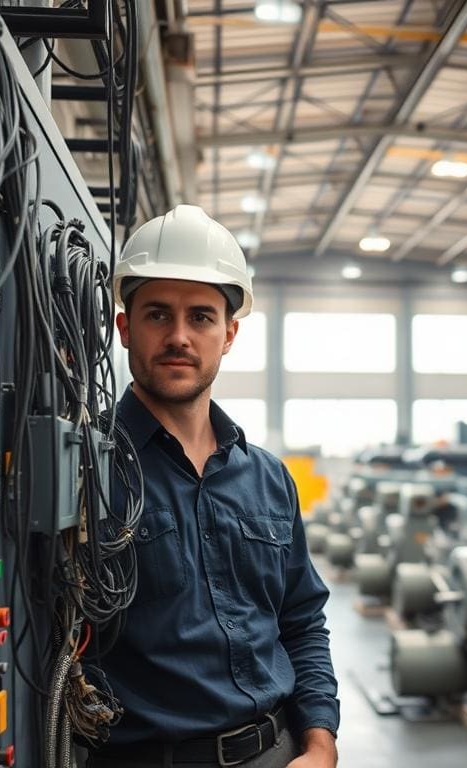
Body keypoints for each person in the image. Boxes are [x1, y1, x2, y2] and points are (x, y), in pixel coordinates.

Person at [89, 206, 339, 768]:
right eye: (158, 314)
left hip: (278, 750)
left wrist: (320, 742)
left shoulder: (269, 477)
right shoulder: (87, 469)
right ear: (126, 327)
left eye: (201, 317)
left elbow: (302, 621)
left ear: (228, 335)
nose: (179, 336)